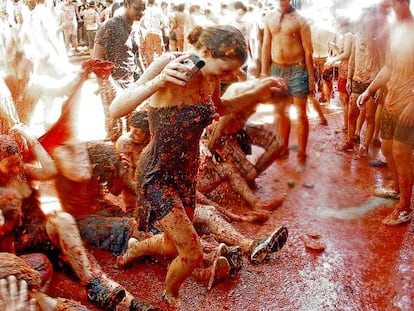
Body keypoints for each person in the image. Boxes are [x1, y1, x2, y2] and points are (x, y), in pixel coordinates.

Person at [109, 24, 285, 306]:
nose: (230, 77)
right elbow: (117, 108)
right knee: (191, 253)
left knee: (171, 244)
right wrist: (158, 82)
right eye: (225, 70)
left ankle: (135, 250)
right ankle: (170, 295)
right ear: (204, 51)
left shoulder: (210, 77)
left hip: (186, 174)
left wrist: (258, 89)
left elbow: (222, 108)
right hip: (156, 175)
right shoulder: (170, 63)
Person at [356, 0, 414, 226]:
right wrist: (370, 90)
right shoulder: (395, 31)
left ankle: (405, 208)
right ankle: (398, 189)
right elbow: (389, 68)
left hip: (409, 102)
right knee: (387, 147)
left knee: (401, 151)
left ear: (405, 3)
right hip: (392, 99)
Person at [261, 0, 316, 172]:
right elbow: (265, 46)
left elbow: (308, 51)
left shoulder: (301, 20)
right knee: (281, 113)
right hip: (277, 70)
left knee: (300, 114)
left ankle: (301, 153)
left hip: (298, 70)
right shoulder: (269, 18)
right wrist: (264, 72)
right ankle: (283, 147)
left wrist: (312, 78)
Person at [93, 0, 146, 141]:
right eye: (137, 9)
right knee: (116, 129)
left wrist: (145, 76)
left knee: (133, 129)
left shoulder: (135, 28)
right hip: (111, 83)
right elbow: (96, 60)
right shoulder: (109, 26)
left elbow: (137, 56)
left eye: (143, 9)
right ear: (126, 4)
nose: (141, 13)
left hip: (131, 83)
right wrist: (109, 85)